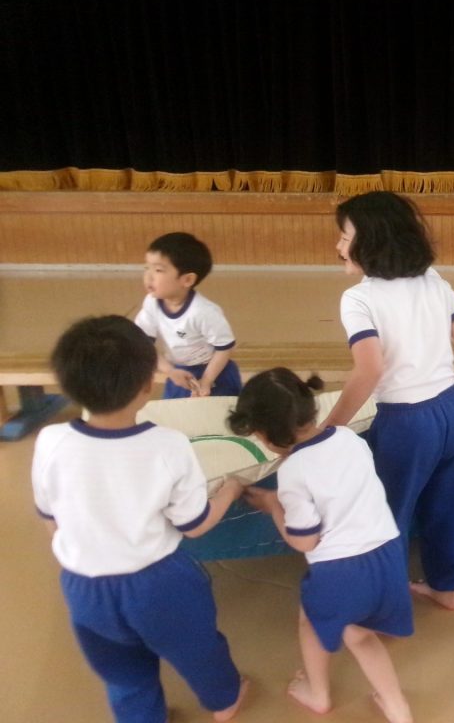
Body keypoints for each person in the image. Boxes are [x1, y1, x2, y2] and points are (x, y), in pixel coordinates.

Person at [31, 315, 247, 723]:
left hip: (83, 586)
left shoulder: (50, 441)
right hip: (159, 584)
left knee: (122, 674)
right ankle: (225, 702)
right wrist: (231, 490)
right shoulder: (168, 445)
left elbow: (50, 517)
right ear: (147, 384)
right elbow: (195, 525)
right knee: (198, 648)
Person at [323, 191, 454, 611]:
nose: (339, 246)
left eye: (345, 238)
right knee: (447, 507)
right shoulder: (433, 279)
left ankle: (385, 606)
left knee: (387, 515)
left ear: (372, 242)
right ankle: (447, 588)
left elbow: (369, 369)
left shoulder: (359, 298)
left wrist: (330, 428)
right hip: (450, 411)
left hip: (406, 423)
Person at [231, 369, 414, 722]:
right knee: (360, 634)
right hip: (387, 556)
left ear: (265, 434)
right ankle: (396, 705)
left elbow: (305, 539)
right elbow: (336, 487)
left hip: (340, 570)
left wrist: (274, 506)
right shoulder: (348, 438)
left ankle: (318, 694)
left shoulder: (293, 471)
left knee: (311, 623)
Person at [135, 231, 242, 398]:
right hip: (179, 372)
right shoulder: (151, 303)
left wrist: (207, 380)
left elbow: (224, 349)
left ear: (187, 280)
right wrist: (170, 371)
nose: (148, 276)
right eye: (146, 268)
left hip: (214, 372)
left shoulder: (204, 311)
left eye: (158, 270)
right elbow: (143, 344)